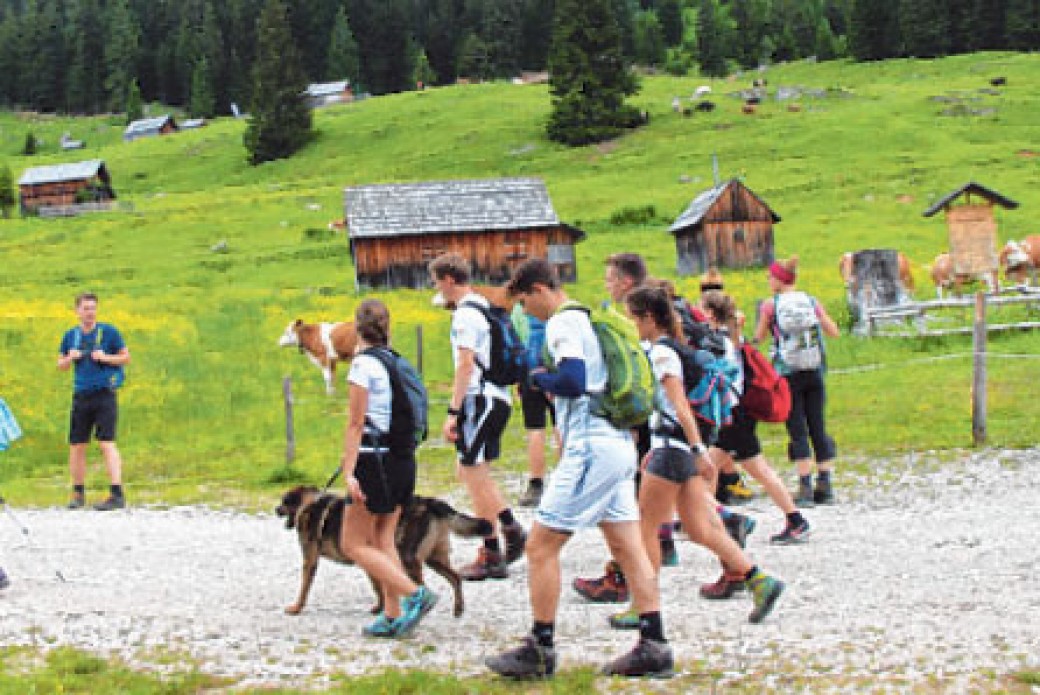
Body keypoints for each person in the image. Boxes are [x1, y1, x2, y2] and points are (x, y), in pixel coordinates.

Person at [486, 258, 673, 679]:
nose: (526, 313)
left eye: (525, 303)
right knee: (628, 547)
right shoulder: (588, 318)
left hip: (590, 445)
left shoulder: (562, 324)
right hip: (615, 443)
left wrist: (538, 378)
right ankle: (654, 643)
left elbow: (572, 380)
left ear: (538, 289)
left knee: (540, 546)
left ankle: (541, 648)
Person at [607, 286, 784, 627]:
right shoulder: (677, 348)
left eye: (634, 318)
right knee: (700, 527)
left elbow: (679, 406)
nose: (633, 325)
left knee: (644, 527)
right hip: (680, 449)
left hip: (672, 449)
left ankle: (644, 606)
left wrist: (697, 449)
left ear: (647, 318)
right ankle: (760, 580)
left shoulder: (662, 355)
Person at [338, 299, 437, 638]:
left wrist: (349, 471)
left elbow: (355, 423)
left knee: (352, 544)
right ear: (387, 327)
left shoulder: (362, 366)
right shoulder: (396, 361)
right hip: (401, 459)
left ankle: (415, 594)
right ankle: (392, 614)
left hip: (373, 460)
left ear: (356, 328)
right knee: (383, 538)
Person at [429, 253, 526, 581]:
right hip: (496, 395)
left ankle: (491, 550)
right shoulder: (484, 307)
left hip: (478, 397)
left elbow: (466, 364)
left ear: (448, 280)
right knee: (471, 469)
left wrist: (453, 411)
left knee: (472, 471)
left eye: (437, 282)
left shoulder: (465, 316)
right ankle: (509, 528)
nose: (437, 289)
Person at [702, 290, 811, 559]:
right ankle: (708, 517)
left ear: (711, 314)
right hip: (739, 411)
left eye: (702, 309)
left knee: (713, 467)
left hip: (734, 412)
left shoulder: (720, 341)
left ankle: (713, 518)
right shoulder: (732, 338)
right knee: (727, 466)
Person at [572, 253, 650, 604]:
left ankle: (622, 579)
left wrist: (627, 416)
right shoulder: (655, 303)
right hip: (663, 418)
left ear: (626, 283)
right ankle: (743, 566)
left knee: (634, 506)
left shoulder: (633, 314)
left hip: (647, 417)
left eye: (609, 280)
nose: (606, 286)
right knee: (681, 505)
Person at [753, 256, 841, 507]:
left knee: (797, 427)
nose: (769, 281)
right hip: (814, 370)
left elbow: (758, 338)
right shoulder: (811, 302)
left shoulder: (771, 306)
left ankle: (804, 485)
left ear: (780, 280)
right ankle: (826, 484)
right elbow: (833, 331)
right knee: (817, 424)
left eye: (771, 277)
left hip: (787, 374)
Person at [57, 292, 130, 511]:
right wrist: (70, 357)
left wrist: (105, 357)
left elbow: (126, 357)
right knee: (77, 444)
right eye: (86, 308)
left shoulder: (108, 332)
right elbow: (60, 365)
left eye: (93, 308)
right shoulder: (71, 336)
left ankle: (116, 492)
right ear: (77, 311)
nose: (90, 313)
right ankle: (78, 492)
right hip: (81, 395)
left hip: (104, 393)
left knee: (106, 442)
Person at [511, 303, 559, 508]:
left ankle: (536, 483)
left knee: (535, 429)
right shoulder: (555, 307)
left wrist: (518, 379)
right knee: (561, 426)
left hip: (529, 374)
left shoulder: (517, 311)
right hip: (555, 372)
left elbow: (515, 344)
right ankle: (566, 479)